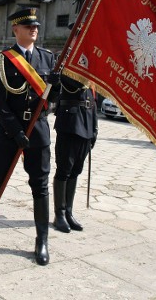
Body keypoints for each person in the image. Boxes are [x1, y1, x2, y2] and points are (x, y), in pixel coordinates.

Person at [0, 7, 59, 266]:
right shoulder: (3, 59)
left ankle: (41, 239)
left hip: (39, 130)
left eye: (36, 26)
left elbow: (51, 101)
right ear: (16, 30)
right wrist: (16, 131)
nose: (34, 29)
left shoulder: (47, 59)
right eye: (28, 26)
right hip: (10, 131)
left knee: (40, 184)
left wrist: (55, 86)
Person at [53, 73, 97, 233]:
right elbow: (75, 85)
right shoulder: (69, 66)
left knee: (76, 171)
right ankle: (59, 214)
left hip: (86, 125)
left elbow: (93, 101)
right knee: (64, 170)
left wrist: (95, 128)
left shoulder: (91, 70)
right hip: (70, 124)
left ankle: (69, 212)